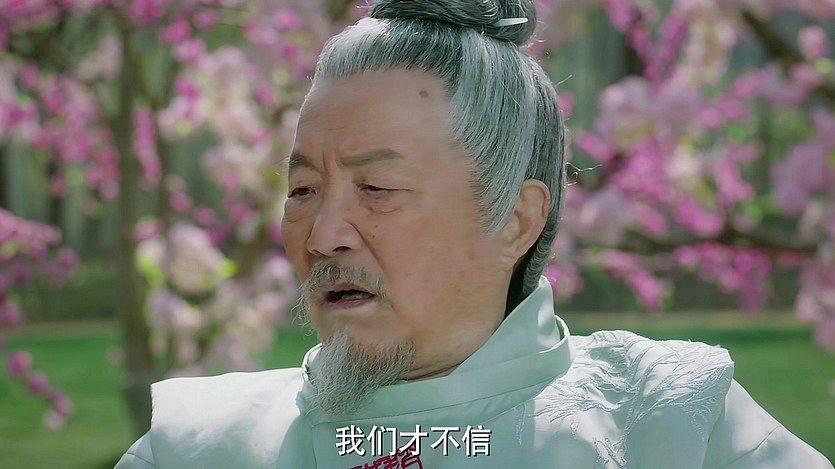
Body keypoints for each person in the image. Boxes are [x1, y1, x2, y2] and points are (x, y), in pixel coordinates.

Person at [115, 0, 833, 467]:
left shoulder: (672, 424)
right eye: (302, 190)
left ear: (515, 219)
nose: (323, 234)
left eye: (376, 188)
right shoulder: (201, 446)